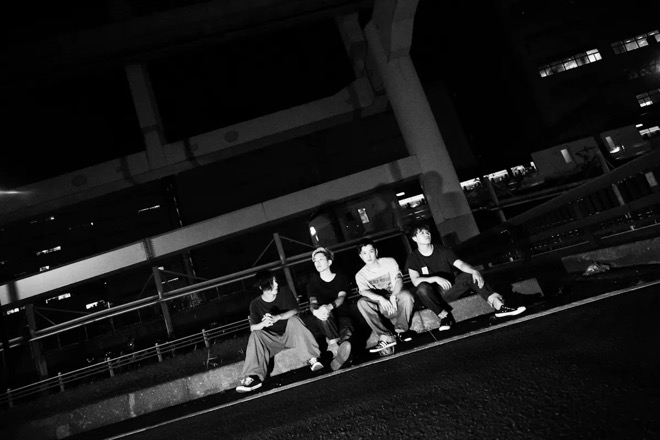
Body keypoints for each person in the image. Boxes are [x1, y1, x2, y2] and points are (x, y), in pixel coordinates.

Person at [406, 221, 526, 331]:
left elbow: (461, 264)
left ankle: (499, 306)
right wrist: (436, 278)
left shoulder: (442, 250)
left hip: (449, 290)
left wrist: (474, 271)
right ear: (414, 238)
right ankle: (444, 317)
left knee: (468, 274)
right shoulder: (413, 258)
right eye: (422, 233)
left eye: (427, 232)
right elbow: (415, 280)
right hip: (431, 297)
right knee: (421, 288)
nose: (427, 235)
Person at [236, 270, 323, 393]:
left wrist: (278, 317)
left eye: (275, 281)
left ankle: (312, 359)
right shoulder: (255, 304)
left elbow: (295, 310)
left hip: (290, 335)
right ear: (262, 287)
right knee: (256, 334)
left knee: (294, 320)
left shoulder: (285, 292)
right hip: (272, 342)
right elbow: (253, 327)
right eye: (272, 283)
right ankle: (254, 377)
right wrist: (263, 324)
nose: (276, 285)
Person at [355, 238, 416, 355]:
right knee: (361, 302)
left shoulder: (389, 262)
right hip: (381, 306)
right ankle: (386, 336)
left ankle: (401, 331)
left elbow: (399, 280)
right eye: (364, 253)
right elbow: (364, 291)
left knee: (406, 295)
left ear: (376, 252)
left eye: (371, 251)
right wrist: (380, 298)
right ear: (361, 256)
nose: (368, 256)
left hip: (396, 301)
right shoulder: (360, 275)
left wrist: (393, 295)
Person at [308, 247, 354, 371]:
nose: (317, 263)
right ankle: (335, 346)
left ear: (329, 262)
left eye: (321, 259)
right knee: (322, 314)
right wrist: (315, 311)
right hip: (326, 321)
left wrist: (329, 307)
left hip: (343, 317)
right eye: (315, 260)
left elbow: (341, 297)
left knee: (347, 343)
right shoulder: (313, 282)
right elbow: (313, 303)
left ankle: (336, 352)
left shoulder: (341, 277)